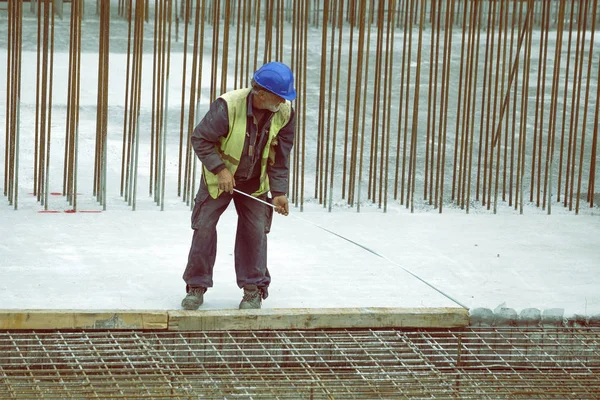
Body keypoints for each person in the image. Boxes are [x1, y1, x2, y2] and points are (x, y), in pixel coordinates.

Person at [181, 61, 296, 310]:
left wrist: (279, 193)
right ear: (261, 93)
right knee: (204, 227)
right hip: (220, 179)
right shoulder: (228, 106)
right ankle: (196, 286)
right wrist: (220, 170)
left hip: (255, 183)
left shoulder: (285, 113)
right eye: (279, 96)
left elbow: (281, 156)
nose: (283, 102)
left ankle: (253, 289)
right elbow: (200, 139)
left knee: (254, 233)